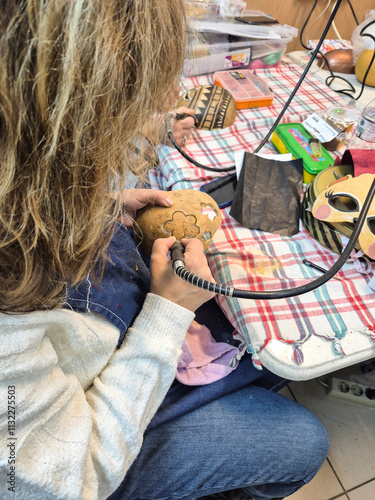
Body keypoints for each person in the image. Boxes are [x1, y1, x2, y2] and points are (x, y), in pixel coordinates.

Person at [0, 1, 329, 500]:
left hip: (90, 335)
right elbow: (63, 483)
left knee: (263, 363)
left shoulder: (20, 185)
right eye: (123, 107)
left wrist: (102, 205)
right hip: (75, 454)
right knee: (299, 442)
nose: (175, 98)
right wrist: (167, 313)